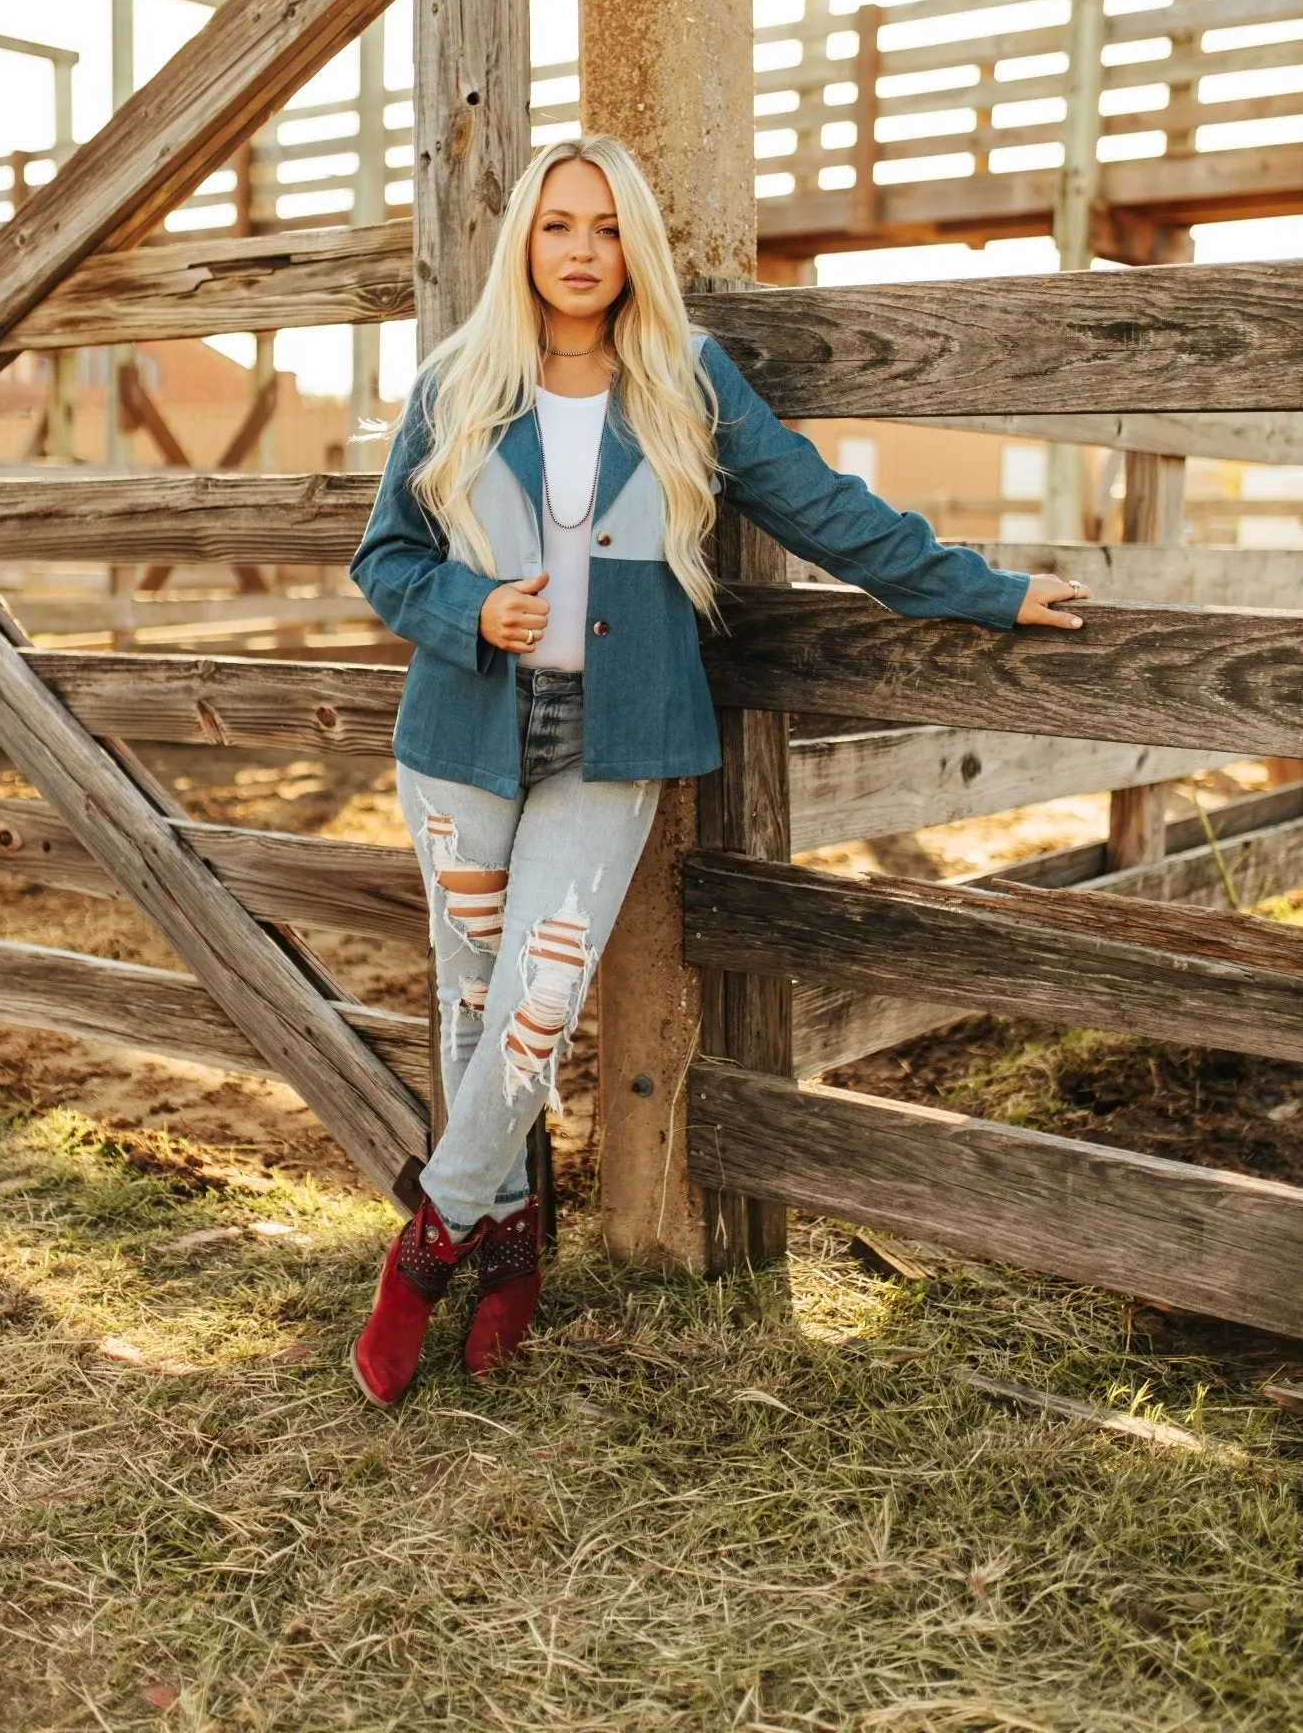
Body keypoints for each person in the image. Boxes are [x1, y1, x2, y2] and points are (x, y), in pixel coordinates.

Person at [346, 133, 1089, 1407]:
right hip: (465, 736)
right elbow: (385, 560)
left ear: (635, 246)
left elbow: (829, 509)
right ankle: (513, 1249)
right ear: (524, 240)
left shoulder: (687, 379)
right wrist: (469, 607)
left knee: (537, 1001)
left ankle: (427, 1246)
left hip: (613, 736)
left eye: (607, 228)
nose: (582, 251)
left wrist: (989, 589)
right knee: (474, 1005)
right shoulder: (455, 383)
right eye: (558, 226)